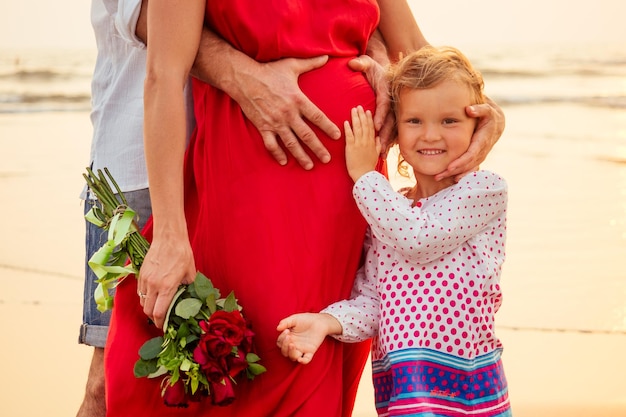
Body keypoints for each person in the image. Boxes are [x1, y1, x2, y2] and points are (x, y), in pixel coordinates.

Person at [103, 2, 505, 417]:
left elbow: (417, 52)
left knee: (314, 347)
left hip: (349, 197)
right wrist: (171, 233)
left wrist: (487, 115)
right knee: (268, 353)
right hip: (253, 184)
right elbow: (163, 75)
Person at [277, 46, 512, 416]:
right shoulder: (390, 210)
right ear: (395, 130)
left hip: (466, 393)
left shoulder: (483, 191)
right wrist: (326, 321)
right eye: (415, 121)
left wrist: (365, 175)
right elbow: (375, 303)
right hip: (404, 392)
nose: (431, 135)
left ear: (478, 124)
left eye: (449, 121)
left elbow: (417, 239)